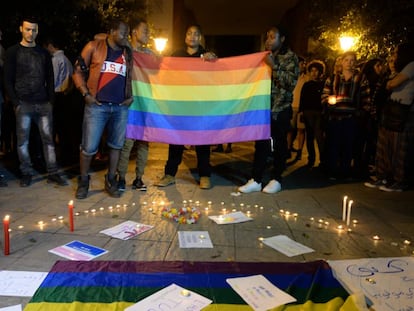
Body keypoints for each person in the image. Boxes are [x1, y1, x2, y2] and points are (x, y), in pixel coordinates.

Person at [3, 16, 68, 187]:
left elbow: (49, 77)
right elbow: (7, 79)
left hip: (43, 103)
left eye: (33, 30)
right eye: (27, 29)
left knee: (48, 140)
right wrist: (16, 103)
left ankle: (53, 172)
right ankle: (26, 172)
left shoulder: (43, 53)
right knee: (22, 142)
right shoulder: (12, 52)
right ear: (21, 29)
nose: (30, 33)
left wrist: (50, 102)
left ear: (37, 31)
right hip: (23, 104)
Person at [72, 19, 133, 199]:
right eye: (123, 33)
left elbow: (142, 66)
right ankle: (83, 180)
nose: (126, 37)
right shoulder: (94, 46)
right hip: (97, 106)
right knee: (89, 147)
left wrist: (130, 96)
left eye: (128, 33)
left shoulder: (127, 52)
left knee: (116, 146)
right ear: (112, 31)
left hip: (120, 107)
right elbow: (77, 70)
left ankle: (110, 179)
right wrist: (85, 94)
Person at [155, 24, 217, 190]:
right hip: (180, 106)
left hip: (199, 106)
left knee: (202, 141)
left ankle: (204, 175)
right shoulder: (176, 55)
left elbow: (216, 76)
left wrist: (213, 61)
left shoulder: (206, 56)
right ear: (185, 37)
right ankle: (169, 174)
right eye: (189, 33)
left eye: (196, 34)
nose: (192, 36)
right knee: (175, 140)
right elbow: (166, 75)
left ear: (200, 37)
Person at [238, 25, 299, 194]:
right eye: (267, 37)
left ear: (282, 39)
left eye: (273, 37)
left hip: (280, 109)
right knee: (261, 144)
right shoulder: (263, 56)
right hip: (262, 109)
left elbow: (290, 83)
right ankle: (256, 179)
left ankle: (276, 178)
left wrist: (274, 67)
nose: (268, 40)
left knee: (280, 145)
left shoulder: (290, 57)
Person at [364, 43, 414, 191]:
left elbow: (392, 84)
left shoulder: (411, 66)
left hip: (402, 109)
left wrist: (391, 83)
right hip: (391, 108)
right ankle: (383, 177)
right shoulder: (401, 69)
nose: (394, 56)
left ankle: (399, 180)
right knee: (384, 144)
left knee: (398, 147)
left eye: (397, 53)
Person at [321, 51, 370, 180]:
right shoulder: (332, 78)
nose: (350, 63)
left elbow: (366, 97)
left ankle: (345, 171)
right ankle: (332, 171)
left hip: (351, 118)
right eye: (347, 60)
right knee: (334, 145)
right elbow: (324, 95)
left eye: (352, 60)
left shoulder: (360, 78)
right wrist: (329, 101)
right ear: (342, 62)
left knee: (348, 146)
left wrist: (363, 112)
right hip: (335, 118)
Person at [117, 18, 153, 192]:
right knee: (127, 142)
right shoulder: (125, 50)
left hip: (146, 104)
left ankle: (139, 178)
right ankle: (121, 177)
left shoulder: (150, 55)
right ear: (134, 32)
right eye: (145, 30)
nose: (148, 34)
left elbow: (167, 68)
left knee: (144, 143)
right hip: (129, 103)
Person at [44, 37, 74, 165]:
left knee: (54, 127)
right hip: (66, 95)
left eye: (46, 47)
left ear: (51, 45)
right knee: (64, 128)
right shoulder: (66, 59)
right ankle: (66, 155)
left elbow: (53, 80)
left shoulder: (55, 60)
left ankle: (56, 158)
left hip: (56, 96)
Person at [299, 60, 326, 168]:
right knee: (309, 137)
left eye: (316, 71)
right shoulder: (307, 85)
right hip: (308, 112)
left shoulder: (323, 84)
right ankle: (311, 159)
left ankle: (323, 160)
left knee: (319, 137)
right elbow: (302, 99)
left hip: (319, 113)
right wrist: (301, 112)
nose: (314, 73)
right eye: (312, 71)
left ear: (320, 72)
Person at [288, 56, 308, 162]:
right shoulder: (291, 77)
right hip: (291, 107)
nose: (303, 66)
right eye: (301, 63)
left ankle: (299, 151)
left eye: (304, 64)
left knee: (301, 130)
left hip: (301, 108)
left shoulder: (306, 78)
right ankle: (288, 148)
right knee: (290, 130)